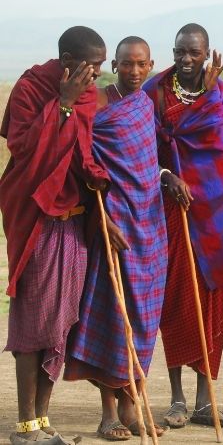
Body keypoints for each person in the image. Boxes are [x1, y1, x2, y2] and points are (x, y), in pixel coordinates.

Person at [1, 26, 110, 445]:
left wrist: (96, 178)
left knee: (61, 322)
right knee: (33, 321)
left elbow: (80, 150)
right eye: (92, 67)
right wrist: (61, 103)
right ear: (67, 61)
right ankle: (25, 426)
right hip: (37, 221)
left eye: (100, 68)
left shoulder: (85, 94)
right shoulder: (33, 87)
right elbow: (27, 152)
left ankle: (43, 421)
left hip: (72, 221)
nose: (97, 76)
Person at [63, 36, 168, 440]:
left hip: (151, 225)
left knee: (144, 317)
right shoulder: (100, 105)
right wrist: (101, 216)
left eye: (142, 64)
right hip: (114, 223)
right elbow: (83, 163)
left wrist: (165, 176)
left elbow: (147, 160)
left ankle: (133, 403)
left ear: (151, 64)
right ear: (115, 66)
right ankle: (109, 412)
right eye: (127, 64)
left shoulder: (146, 104)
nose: (135, 72)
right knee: (112, 311)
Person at [142, 23, 223, 428]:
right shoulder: (155, 92)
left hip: (214, 216)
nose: (185, 60)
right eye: (179, 52)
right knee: (176, 301)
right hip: (169, 210)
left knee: (212, 303)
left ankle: (204, 400)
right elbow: (143, 149)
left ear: (207, 54)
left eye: (193, 54)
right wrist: (166, 175)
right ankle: (177, 398)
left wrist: (209, 97)